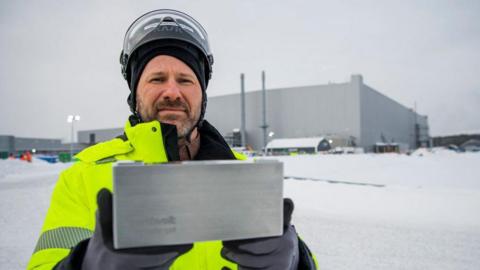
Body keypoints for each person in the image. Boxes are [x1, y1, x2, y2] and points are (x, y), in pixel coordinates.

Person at [28, 9, 318, 270]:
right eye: (156, 79)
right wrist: (85, 265)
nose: (172, 92)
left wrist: (297, 262)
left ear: (201, 93)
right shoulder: (83, 175)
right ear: (134, 93)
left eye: (185, 80)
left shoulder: (243, 173)